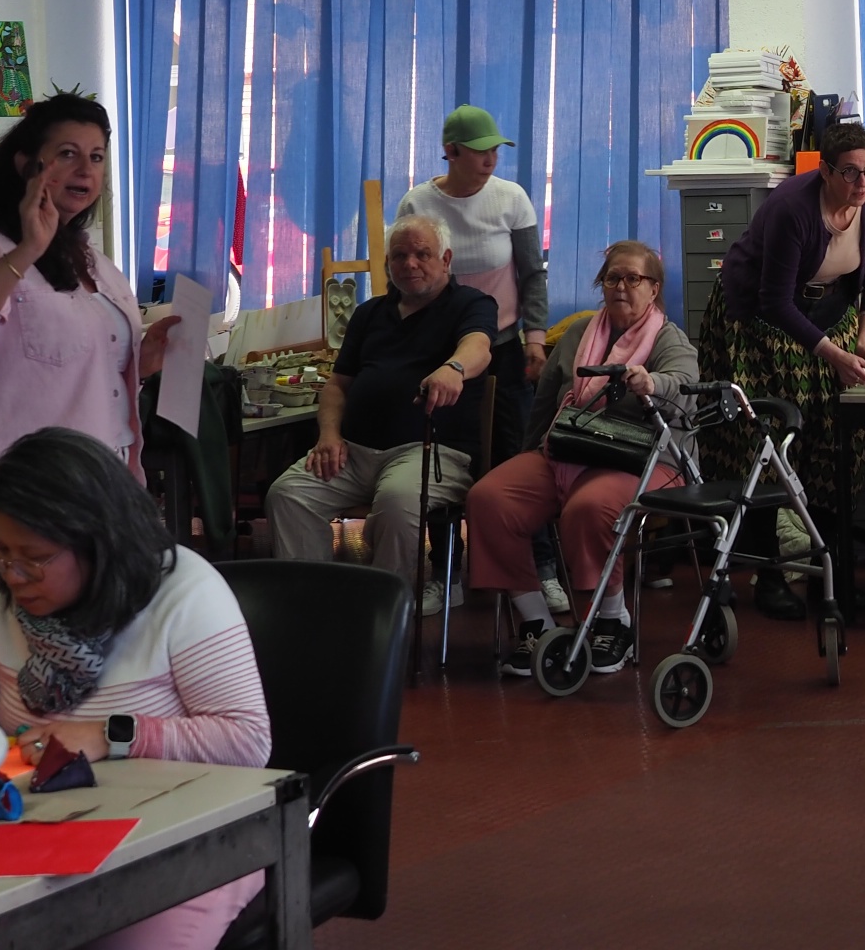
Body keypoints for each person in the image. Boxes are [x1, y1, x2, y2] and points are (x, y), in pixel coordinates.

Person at [0, 428, 269, 950]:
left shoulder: (183, 592)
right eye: (1, 553)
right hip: (50, 837)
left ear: (97, 542)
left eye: (34, 557)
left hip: (189, 838)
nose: (13, 575)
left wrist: (109, 735)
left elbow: (247, 741)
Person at [0, 93, 179, 548]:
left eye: (96, 157)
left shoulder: (92, 258)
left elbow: (79, 372)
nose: (85, 170)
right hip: (25, 499)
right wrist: (27, 251)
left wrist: (143, 359)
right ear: (27, 166)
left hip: (106, 485)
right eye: (68, 154)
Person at [466, 239, 699, 674]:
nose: (621, 286)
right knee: (489, 498)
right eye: (612, 278)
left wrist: (652, 383)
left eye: (633, 278)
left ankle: (612, 620)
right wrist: (531, 453)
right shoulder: (577, 334)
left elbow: (684, 387)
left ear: (654, 288)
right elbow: (544, 405)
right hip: (571, 447)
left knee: (589, 507)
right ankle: (537, 623)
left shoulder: (670, 339)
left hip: (647, 460)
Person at [699, 121, 865, 619]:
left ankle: (830, 577)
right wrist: (835, 355)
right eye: (850, 172)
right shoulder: (792, 207)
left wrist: (863, 343)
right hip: (758, 322)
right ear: (825, 171)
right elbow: (775, 301)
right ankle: (768, 578)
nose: (863, 182)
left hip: (830, 311)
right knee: (766, 443)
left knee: (835, 439)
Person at [265, 215, 495, 612]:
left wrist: (454, 368)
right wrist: (329, 435)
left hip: (430, 452)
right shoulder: (370, 313)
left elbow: (478, 347)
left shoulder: (470, 304)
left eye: (422, 254)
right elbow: (337, 385)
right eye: (400, 256)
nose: (410, 264)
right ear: (388, 263)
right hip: (353, 453)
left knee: (397, 501)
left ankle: (381, 613)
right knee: (288, 495)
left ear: (446, 259)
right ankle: (309, 608)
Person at [393, 105, 548, 468]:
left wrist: (535, 338)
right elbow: (401, 276)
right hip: (437, 344)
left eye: (495, 150)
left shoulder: (511, 198)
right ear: (451, 151)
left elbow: (532, 273)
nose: (491, 159)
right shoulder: (417, 203)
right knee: (442, 448)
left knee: (515, 447)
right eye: (480, 151)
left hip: (502, 345)